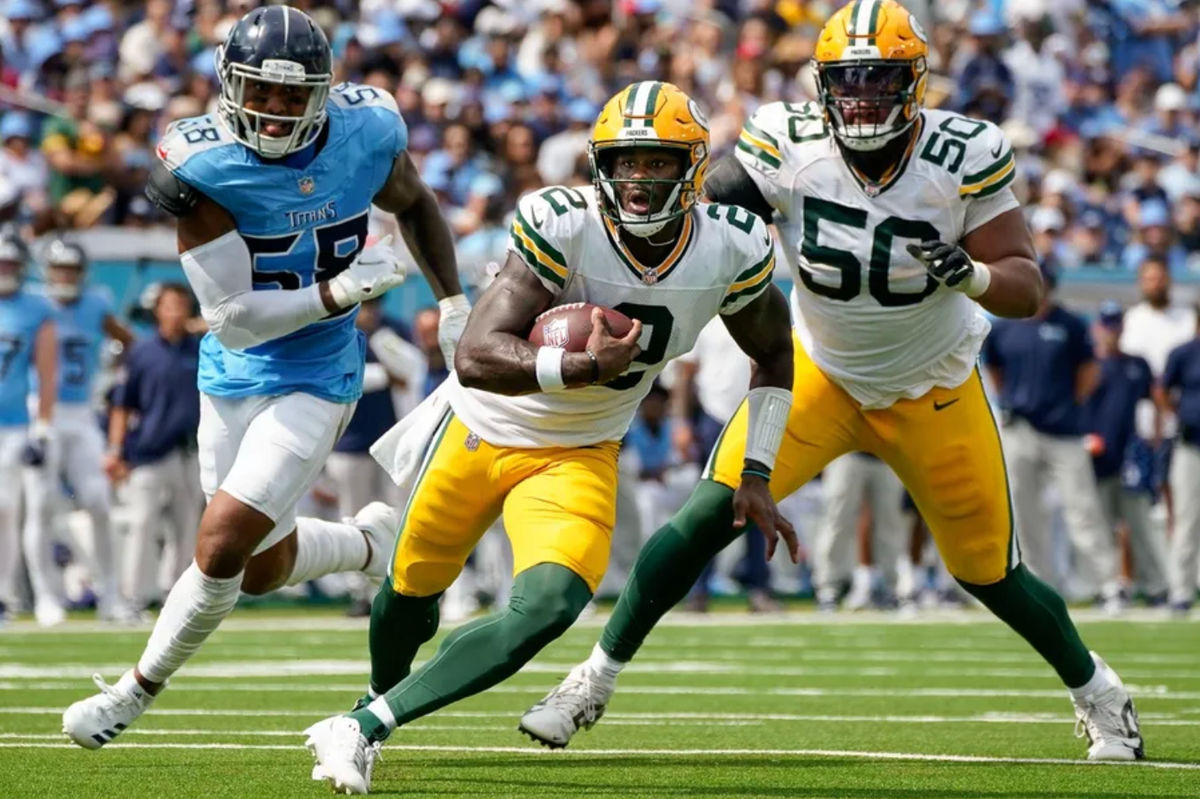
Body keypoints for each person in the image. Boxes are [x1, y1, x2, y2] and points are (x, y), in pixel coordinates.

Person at [521, 0, 1144, 763]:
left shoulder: (963, 152)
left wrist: (973, 273)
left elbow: (1027, 286)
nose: (860, 96)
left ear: (913, 84)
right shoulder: (787, 141)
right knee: (702, 517)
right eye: (847, 80)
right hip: (818, 372)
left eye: (879, 80)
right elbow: (690, 210)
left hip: (932, 385)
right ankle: (592, 678)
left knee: (989, 571)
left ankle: (1101, 695)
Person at [302, 80, 796, 794]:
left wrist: (758, 465)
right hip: (481, 431)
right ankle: (374, 700)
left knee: (552, 604)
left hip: (580, 450)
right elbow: (475, 355)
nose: (637, 178)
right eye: (625, 161)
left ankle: (364, 726)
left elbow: (775, 352)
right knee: (408, 594)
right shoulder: (563, 222)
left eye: (657, 161)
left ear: (691, 166)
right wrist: (578, 365)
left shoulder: (730, 245)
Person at [62, 6, 467, 749]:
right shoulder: (203, 165)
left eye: (291, 95)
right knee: (258, 568)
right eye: (260, 91)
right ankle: (368, 546)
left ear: (320, 91)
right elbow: (230, 318)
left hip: (319, 370)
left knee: (217, 546)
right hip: (234, 364)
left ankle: (134, 691)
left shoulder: (368, 130)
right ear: (229, 85)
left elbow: (414, 201)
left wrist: (452, 300)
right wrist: (338, 291)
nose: (274, 110)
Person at [983, 263, 1117, 603]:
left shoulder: (1070, 325)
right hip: (1020, 428)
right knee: (1024, 512)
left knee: (1082, 508)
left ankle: (1109, 584)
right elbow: (995, 370)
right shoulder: (1003, 328)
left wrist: (1066, 405)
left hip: (1063, 431)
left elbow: (1088, 373)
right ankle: (1039, 584)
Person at [21, 238, 134, 627]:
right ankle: (46, 598)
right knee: (39, 507)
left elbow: (129, 342)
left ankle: (111, 596)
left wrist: (115, 372)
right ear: (46, 272)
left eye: (71, 270)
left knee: (99, 501)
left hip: (83, 413)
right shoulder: (33, 304)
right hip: (39, 409)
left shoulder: (97, 303)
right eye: (58, 269)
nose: (64, 277)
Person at [105, 283, 202, 612]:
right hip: (147, 451)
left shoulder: (202, 347)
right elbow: (122, 405)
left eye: (181, 305)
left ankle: (174, 596)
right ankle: (133, 596)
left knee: (186, 529)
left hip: (190, 450)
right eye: (169, 305)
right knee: (141, 524)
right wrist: (115, 450)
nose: (176, 311)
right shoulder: (142, 351)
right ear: (157, 310)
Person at [1085, 301, 1167, 607]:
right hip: (1097, 456)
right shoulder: (1089, 365)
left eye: (1115, 325)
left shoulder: (1137, 364)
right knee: (1101, 527)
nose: (1111, 331)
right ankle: (1107, 587)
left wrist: (1156, 437)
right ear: (1098, 328)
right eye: (1106, 325)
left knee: (1141, 524)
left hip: (1130, 456)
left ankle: (1155, 586)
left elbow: (1156, 400)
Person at [0, 230, 56, 623]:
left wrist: (42, 423)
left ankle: (13, 595)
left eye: (11, 263)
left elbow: (46, 370)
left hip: (17, 423)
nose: (6, 270)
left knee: (14, 509)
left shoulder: (37, 308)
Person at [1159, 313, 1200, 615]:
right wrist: (1182, 415)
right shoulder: (1184, 353)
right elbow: (1162, 390)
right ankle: (1181, 591)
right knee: (1187, 519)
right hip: (1190, 446)